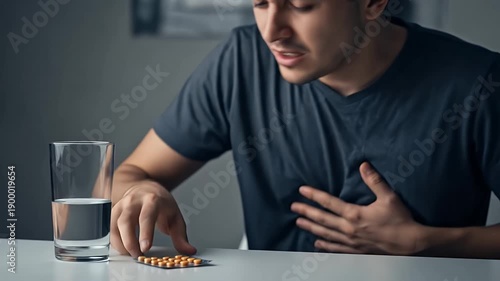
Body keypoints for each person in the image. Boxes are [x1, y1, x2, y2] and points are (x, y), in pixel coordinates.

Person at [110, 0, 500, 259]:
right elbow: (125, 177)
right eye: (261, 2)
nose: (272, 30)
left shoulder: (477, 83)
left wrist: (427, 242)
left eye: (301, 5)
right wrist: (141, 190)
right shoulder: (241, 61)